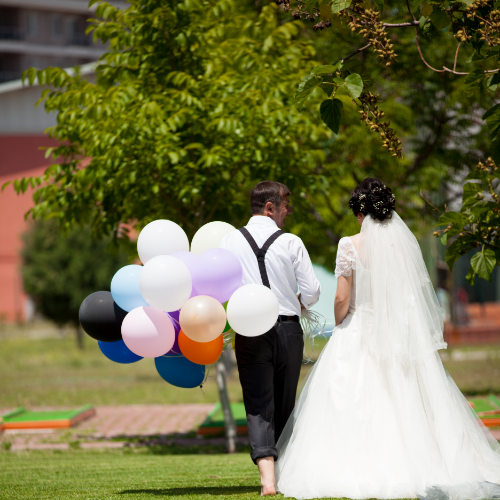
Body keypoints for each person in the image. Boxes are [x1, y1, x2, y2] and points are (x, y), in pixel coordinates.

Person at [275, 178, 500, 500]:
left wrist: (342, 322)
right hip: (396, 334)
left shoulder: (349, 244)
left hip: (358, 326)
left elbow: (341, 298)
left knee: (350, 398)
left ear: (359, 212)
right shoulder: (402, 246)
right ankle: (416, 462)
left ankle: (355, 464)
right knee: (404, 397)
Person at [220, 180, 321, 496]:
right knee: (285, 404)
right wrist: (297, 300)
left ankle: (268, 482)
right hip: (289, 330)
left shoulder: (228, 242)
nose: (288, 212)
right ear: (269, 208)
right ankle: (285, 474)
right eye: (286, 205)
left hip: (249, 332)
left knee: (258, 404)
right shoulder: (291, 242)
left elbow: (219, 288)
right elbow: (314, 291)